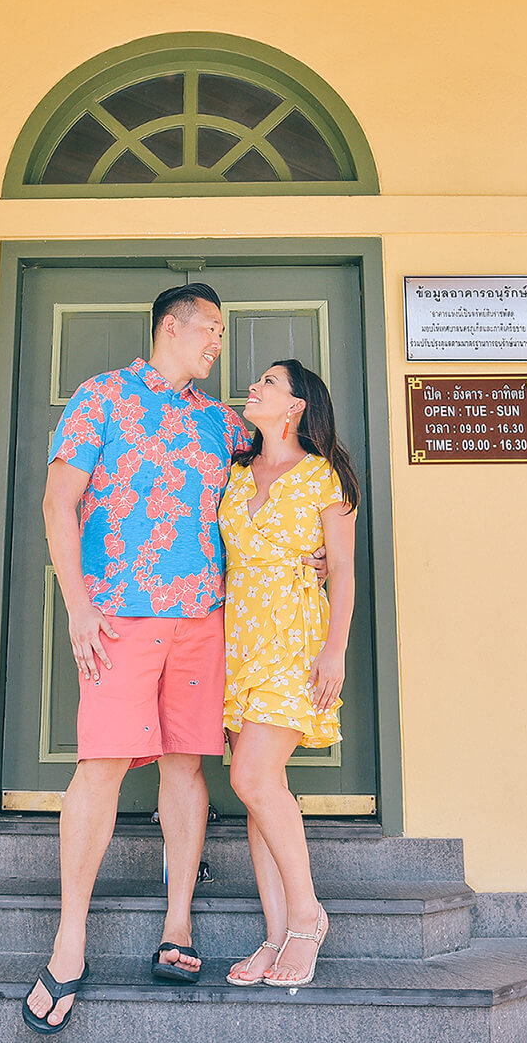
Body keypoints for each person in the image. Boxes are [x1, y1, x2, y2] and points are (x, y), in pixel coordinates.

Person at [22, 282, 252, 1035]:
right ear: (172, 327)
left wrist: (313, 548)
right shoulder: (104, 398)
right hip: (119, 615)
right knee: (101, 766)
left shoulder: (222, 423)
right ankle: (70, 939)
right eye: (210, 328)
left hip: (202, 619)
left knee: (189, 764)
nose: (218, 342)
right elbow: (59, 504)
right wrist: (77, 605)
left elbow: (286, 460)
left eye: (220, 330)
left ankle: (178, 922)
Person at [219, 359, 360, 990]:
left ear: (296, 405)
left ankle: (307, 918)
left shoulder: (323, 478)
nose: (255, 387)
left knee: (251, 775)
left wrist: (334, 652)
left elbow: (346, 573)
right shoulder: (237, 471)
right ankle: (276, 935)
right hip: (239, 643)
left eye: (269, 383)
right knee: (258, 786)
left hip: (294, 640)